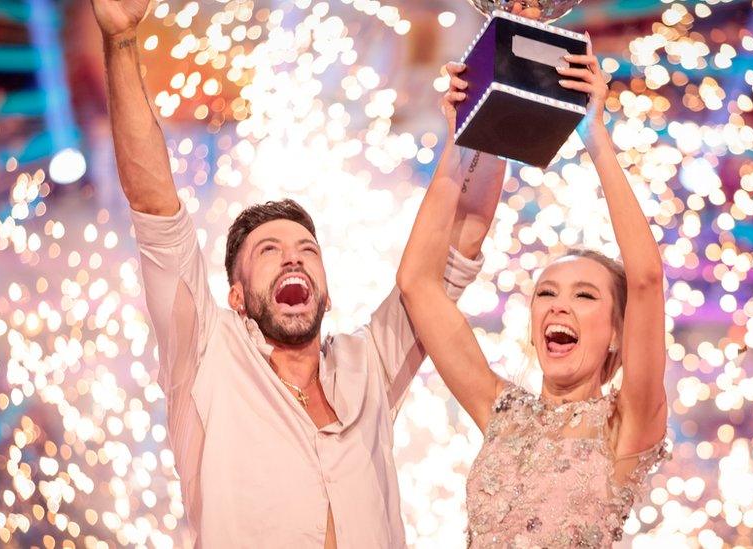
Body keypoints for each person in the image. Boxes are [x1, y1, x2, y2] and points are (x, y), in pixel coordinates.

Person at [89, 0, 508, 546]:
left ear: (327, 292)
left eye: (307, 250)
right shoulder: (207, 358)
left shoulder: (370, 364)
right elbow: (153, 203)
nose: (293, 257)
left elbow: (463, 239)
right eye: (268, 251)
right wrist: (121, 44)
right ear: (236, 297)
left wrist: (491, 106)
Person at [397, 40, 670, 547]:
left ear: (617, 333)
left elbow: (648, 280)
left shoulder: (627, 425)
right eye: (547, 292)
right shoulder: (500, 409)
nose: (559, 305)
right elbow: (416, 284)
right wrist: (462, 136)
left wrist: (594, 134)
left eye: (586, 296)